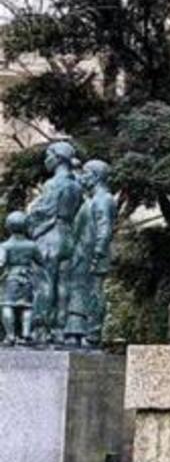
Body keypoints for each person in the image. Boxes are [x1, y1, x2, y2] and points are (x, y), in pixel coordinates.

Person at [25, 141, 81, 344]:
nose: (46, 160)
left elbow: (43, 211)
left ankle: (40, 329)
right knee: (64, 285)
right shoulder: (76, 185)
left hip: (50, 235)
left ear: (57, 158)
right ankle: (60, 329)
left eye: (48, 155)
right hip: (67, 236)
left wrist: (30, 216)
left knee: (44, 284)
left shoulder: (52, 184)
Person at [63, 160, 116, 347]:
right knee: (78, 290)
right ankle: (76, 330)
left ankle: (92, 333)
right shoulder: (92, 200)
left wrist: (98, 252)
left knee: (94, 293)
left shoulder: (103, 199)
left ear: (95, 176)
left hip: (93, 255)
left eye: (85, 173)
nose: (82, 177)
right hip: (82, 254)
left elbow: (105, 228)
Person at [0, 211, 40, 345]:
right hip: (27, 278)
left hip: (11, 278)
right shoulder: (32, 245)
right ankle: (26, 334)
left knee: (7, 305)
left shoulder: (5, 246)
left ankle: (10, 336)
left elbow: (1, 262)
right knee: (27, 307)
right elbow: (41, 261)